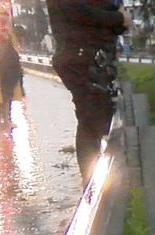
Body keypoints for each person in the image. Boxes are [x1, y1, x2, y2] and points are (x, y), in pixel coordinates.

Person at [44, 0, 132, 181]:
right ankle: (94, 185)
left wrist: (119, 18)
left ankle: (96, 182)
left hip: (88, 55)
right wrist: (118, 17)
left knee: (95, 119)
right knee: (91, 121)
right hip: (82, 56)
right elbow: (78, 11)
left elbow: (106, 19)